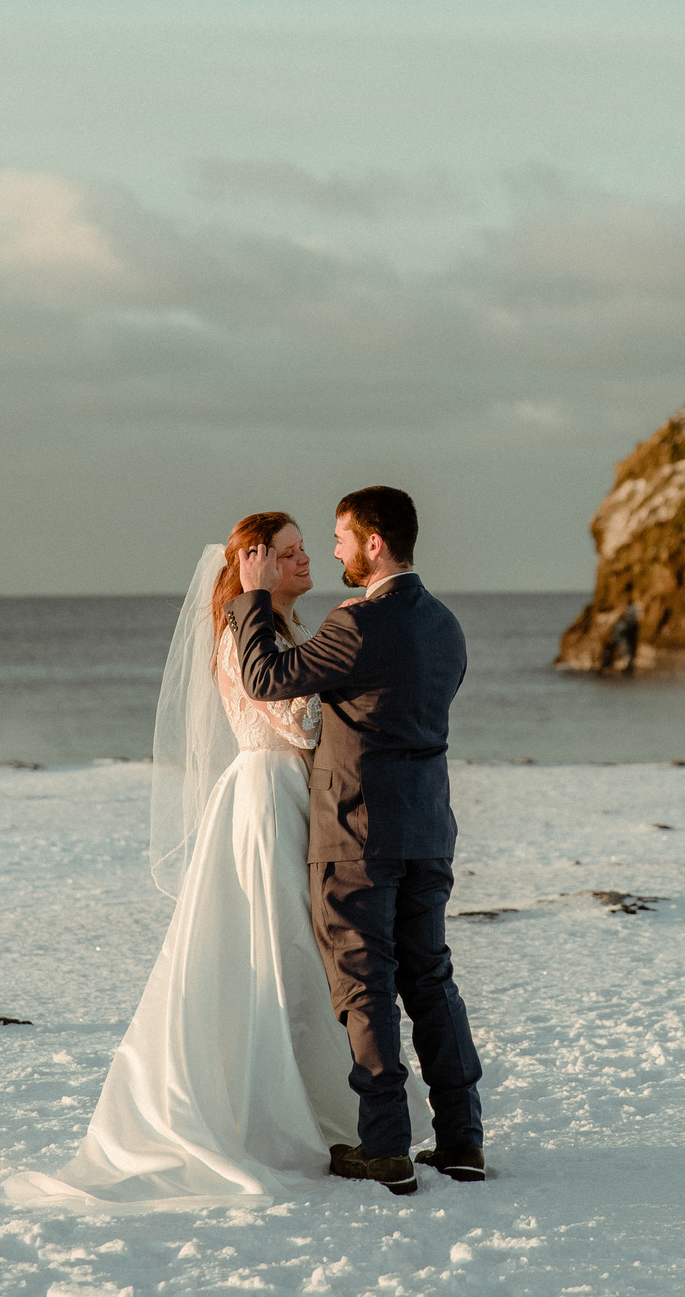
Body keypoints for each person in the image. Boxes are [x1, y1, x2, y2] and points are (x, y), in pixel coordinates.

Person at [1, 513, 356, 1204]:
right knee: (279, 943)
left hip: (288, 790)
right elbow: (300, 721)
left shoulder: (282, 629)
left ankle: (320, 1102)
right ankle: (278, 1111)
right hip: (266, 794)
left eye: (304, 548)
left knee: (300, 946)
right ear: (255, 563)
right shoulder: (241, 633)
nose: (306, 559)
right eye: (288, 552)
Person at [228, 485, 485, 1196]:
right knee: (430, 980)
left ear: (374, 543)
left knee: (364, 985)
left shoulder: (357, 623)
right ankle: (462, 1140)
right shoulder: (446, 625)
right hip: (428, 828)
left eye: (341, 537)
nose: (333, 549)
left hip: (357, 830)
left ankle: (387, 1148)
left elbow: (267, 677)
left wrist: (252, 597)